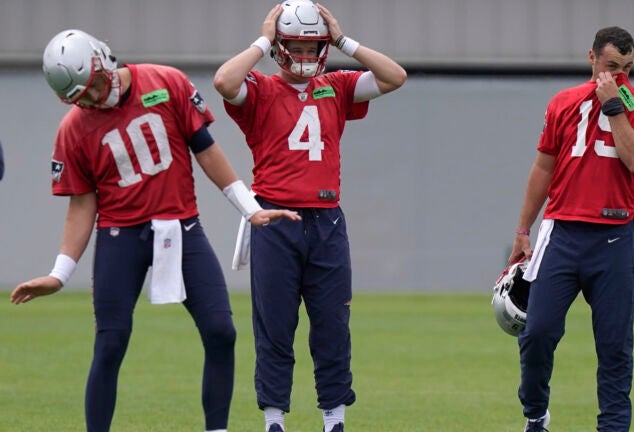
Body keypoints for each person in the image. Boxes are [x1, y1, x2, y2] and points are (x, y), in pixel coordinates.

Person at [9, 29, 300, 432]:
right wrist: (60, 273)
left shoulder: (166, 81)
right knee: (110, 343)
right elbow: (82, 205)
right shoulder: (74, 128)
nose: (93, 98)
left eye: (92, 86)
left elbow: (207, 150)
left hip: (182, 227)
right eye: (81, 95)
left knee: (221, 331)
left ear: (102, 59)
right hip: (119, 237)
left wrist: (249, 209)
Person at [213, 1, 406, 431]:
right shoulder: (260, 89)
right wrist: (261, 40)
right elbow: (224, 80)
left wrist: (342, 40)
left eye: (311, 46)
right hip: (274, 219)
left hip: (326, 220)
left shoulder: (335, 85)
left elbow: (395, 76)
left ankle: (334, 418)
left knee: (332, 325)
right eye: (294, 46)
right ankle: (274, 418)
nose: (303, 55)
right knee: (275, 327)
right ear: (279, 46)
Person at [508, 26, 634, 432]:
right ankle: (535, 413)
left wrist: (614, 106)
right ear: (591, 58)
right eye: (612, 66)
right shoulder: (563, 102)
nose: (619, 76)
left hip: (613, 237)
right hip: (561, 233)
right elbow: (544, 167)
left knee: (614, 346)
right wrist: (523, 229)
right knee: (537, 332)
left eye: (627, 68)